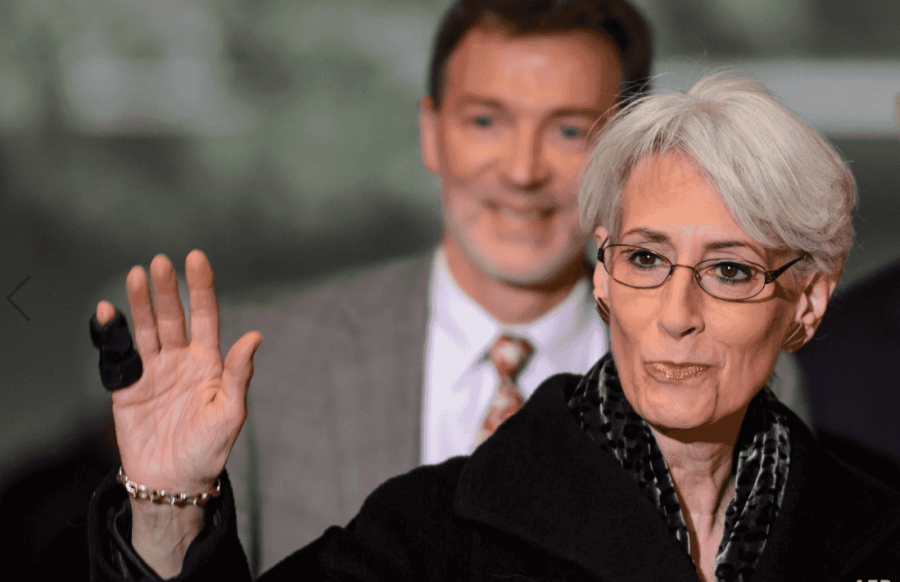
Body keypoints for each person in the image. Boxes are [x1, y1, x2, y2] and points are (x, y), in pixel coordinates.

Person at [84, 71, 899, 582]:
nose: (677, 316)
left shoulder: (878, 534)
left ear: (807, 302)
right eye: (646, 260)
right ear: (604, 277)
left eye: (730, 271)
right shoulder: (435, 533)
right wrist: (168, 508)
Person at [214, 0, 809, 572]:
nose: (523, 172)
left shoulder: (738, 371)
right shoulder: (266, 360)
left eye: (570, 130)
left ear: (633, 154)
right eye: (486, 121)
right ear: (431, 132)